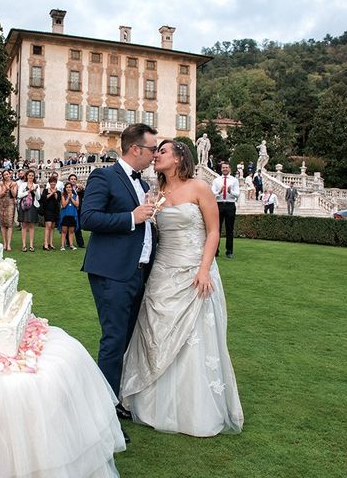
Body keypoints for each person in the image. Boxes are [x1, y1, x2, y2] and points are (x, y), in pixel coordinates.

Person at [120, 139, 243, 437]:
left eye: (162, 151)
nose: (156, 155)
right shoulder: (155, 193)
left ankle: (193, 409)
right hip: (163, 271)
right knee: (155, 330)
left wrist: (204, 269)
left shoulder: (200, 187)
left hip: (194, 271)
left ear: (178, 158)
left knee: (193, 339)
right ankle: (150, 402)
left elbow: (214, 231)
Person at [81, 123, 158, 443]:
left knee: (125, 341)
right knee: (113, 342)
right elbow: (88, 218)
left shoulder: (145, 184)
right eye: (152, 149)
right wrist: (132, 218)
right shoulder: (105, 176)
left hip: (138, 272)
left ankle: (114, 399)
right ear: (136, 149)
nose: (155, 155)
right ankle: (103, 415)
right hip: (113, 272)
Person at [211, 162, 240, 259]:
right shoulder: (216, 180)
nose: (225, 169)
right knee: (216, 229)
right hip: (218, 204)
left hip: (230, 204)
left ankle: (229, 251)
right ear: (221, 169)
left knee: (229, 230)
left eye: (226, 167)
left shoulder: (234, 180)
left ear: (229, 169)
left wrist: (230, 191)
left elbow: (237, 194)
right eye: (223, 167)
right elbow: (212, 193)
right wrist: (219, 192)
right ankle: (215, 251)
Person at [17, 170, 41, 252]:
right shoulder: (23, 185)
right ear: (26, 176)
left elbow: (38, 198)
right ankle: (24, 245)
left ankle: (31, 245)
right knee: (24, 225)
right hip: (24, 206)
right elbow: (19, 195)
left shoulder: (36, 185)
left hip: (33, 206)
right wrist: (28, 191)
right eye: (29, 175)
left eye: (32, 176)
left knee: (31, 226)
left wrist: (34, 190)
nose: (31, 177)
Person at [0, 169, 18, 251]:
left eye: (7, 174)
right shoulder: (1, 183)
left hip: (10, 204)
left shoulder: (14, 183)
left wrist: (11, 188)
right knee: (2, 224)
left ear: (10, 174)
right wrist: (5, 189)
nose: (6, 176)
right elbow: (0, 195)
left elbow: (14, 194)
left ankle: (8, 244)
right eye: (5, 175)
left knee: (9, 224)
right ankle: (4, 243)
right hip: (1, 204)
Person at [40, 176, 60, 250]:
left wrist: (55, 193)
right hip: (47, 210)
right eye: (51, 182)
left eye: (54, 182)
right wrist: (52, 193)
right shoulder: (45, 191)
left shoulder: (58, 192)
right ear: (49, 183)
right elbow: (44, 199)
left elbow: (58, 200)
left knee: (52, 227)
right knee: (48, 226)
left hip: (55, 210)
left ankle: (50, 243)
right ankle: (45, 244)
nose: (53, 183)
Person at [58, 182, 80, 251]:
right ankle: (62, 245)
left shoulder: (76, 196)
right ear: (65, 188)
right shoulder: (63, 195)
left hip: (73, 215)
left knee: (71, 232)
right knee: (64, 231)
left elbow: (77, 205)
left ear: (71, 188)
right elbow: (64, 205)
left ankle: (71, 245)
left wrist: (71, 198)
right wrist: (68, 197)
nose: (68, 188)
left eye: (69, 187)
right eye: (67, 187)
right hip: (65, 215)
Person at [68, 174, 86, 248]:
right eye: (71, 179)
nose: (73, 180)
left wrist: (82, 190)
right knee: (69, 225)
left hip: (78, 209)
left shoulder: (79, 188)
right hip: (69, 209)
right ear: (69, 180)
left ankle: (80, 243)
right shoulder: (67, 188)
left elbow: (84, 196)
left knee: (78, 226)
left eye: (74, 179)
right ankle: (68, 242)